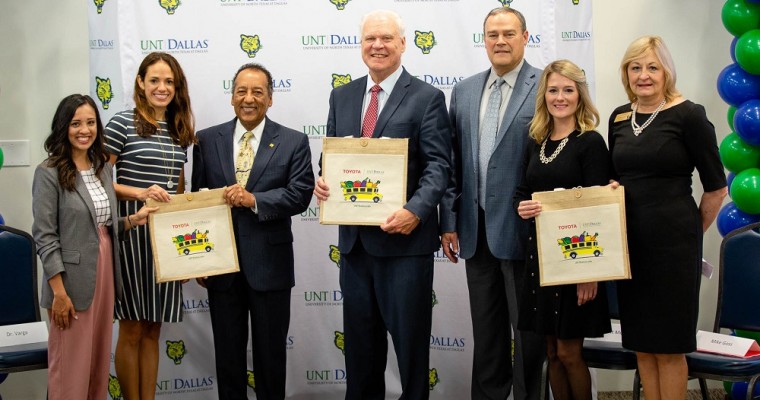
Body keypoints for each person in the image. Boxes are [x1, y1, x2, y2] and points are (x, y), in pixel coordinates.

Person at [312, 9, 451, 399]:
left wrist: (416, 211)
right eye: (371, 38)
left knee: (410, 354)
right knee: (360, 354)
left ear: (403, 44)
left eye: (387, 38)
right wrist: (324, 182)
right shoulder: (342, 96)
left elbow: (439, 166)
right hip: (355, 249)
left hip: (405, 247)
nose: (378, 45)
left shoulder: (427, 98)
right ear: (361, 45)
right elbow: (333, 159)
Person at [608, 36, 727, 400]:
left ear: (666, 72)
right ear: (626, 73)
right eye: (635, 67)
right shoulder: (619, 117)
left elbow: (717, 188)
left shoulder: (689, 115)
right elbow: (615, 178)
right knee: (642, 346)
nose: (643, 75)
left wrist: (690, 233)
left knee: (670, 349)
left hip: (674, 250)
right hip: (630, 248)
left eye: (652, 67)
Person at [439, 6, 545, 400]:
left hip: (526, 231)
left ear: (525, 37)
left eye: (508, 33)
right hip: (475, 229)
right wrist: (448, 220)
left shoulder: (547, 85)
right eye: (492, 34)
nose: (500, 41)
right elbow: (452, 163)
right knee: (486, 333)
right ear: (483, 40)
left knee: (530, 334)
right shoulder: (464, 90)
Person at [191, 63, 314, 400]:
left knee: (270, 356)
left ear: (270, 98)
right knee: (227, 357)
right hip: (222, 267)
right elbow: (198, 202)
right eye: (242, 91)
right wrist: (201, 260)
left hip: (270, 266)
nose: (249, 98)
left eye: (257, 92)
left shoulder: (293, 141)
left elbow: (300, 194)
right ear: (232, 96)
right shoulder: (205, 140)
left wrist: (253, 199)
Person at [32, 94, 156, 400]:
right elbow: (45, 237)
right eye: (76, 123)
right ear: (63, 127)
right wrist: (59, 293)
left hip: (104, 274)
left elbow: (103, 226)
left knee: (98, 366)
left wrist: (133, 219)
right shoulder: (48, 172)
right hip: (69, 282)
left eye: (90, 123)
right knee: (70, 370)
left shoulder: (102, 167)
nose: (84, 130)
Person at [513, 60, 611, 400]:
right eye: (553, 90)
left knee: (570, 354)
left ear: (580, 95)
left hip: (578, 262)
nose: (560, 97)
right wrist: (521, 206)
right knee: (552, 353)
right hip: (541, 260)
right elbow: (522, 193)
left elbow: (599, 209)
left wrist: (590, 273)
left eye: (568, 90)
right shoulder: (535, 142)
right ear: (545, 95)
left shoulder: (591, 143)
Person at [104, 52, 196, 400]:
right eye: (154, 80)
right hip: (129, 236)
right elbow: (95, 179)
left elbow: (179, 191)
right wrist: (139, 193)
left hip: (165, 241)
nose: (162, 87)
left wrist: (185, 252)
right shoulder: (120, 123)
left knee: (153, 329)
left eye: (169, 81)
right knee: (131, 327)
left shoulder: (178, 130)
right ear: (141, 83)